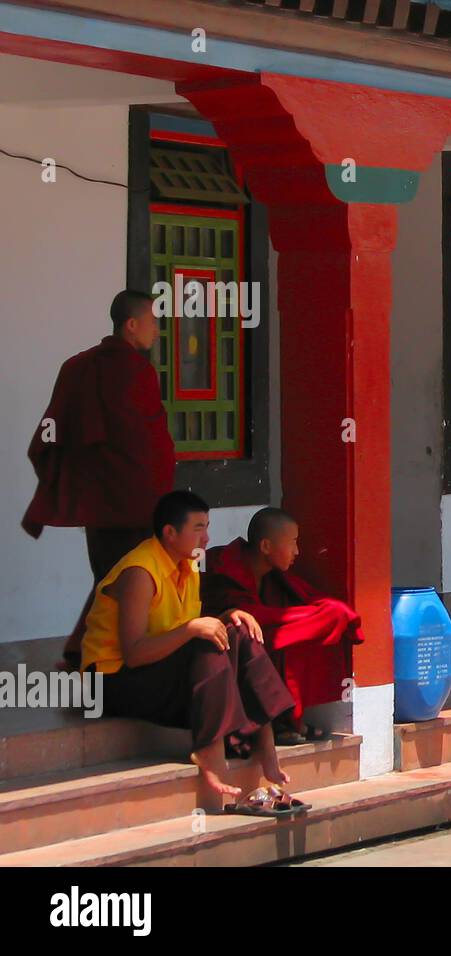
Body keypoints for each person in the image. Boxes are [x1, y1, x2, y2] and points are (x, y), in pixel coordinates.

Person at [81, 490, 295, 804]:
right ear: (170, 533)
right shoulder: (139, 573)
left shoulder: (186, 564)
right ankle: (210, 753)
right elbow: (135, 653)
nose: (207, 538)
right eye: (198, 528)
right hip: (111, 682)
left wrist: (225, 617)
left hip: (159, 670)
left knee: (238, 632)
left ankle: (266, 744)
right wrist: (192, 629)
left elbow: (183, 629)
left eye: (207, 527)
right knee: (204, 647)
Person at [23, 290, 175, 670]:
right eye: (153, 321)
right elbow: (149, 441)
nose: (157, 331)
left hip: (97, 500)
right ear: (131, 325)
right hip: (135, 498)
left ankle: (82, 647)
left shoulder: (76, 366)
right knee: (122, 577)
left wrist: (67, 482)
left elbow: (51, 430)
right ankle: (101, 652)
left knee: (108, 574)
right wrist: (161, 496)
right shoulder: (138, 372)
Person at [201, 507, 363, 745]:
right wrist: (311, 618)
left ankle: (287, 720)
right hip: (221, 649)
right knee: (273, 637)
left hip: (262, 633)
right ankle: (276, 723)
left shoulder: (273, 576)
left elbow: (307, 602)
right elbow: (242, 616)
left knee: (313, 626)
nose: (297, 551)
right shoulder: (226, 566)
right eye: (293, 543)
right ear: (266, 547)